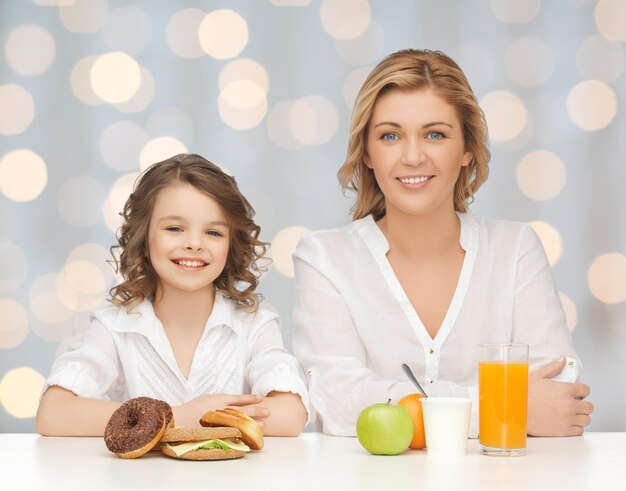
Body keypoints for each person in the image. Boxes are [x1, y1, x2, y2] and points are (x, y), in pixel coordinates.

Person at [292, 49, 593, 438]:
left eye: (435, 134)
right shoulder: (324, 257)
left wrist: (404, 409)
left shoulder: (515, 248)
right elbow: (335, 399)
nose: (413, 156)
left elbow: (558, 387)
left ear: (467, 148)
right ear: (366, 152)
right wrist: (505, 409)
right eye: (390, 136)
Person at [37, 153, 308, 436]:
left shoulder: (254, 323)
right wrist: (179, 416)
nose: (194, 243)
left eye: (213, 233)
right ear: (143, 238)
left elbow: (290, 415)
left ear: (231, 246)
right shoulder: (115, 325)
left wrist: (198, 417)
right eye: (175, 228)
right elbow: (53, 413)